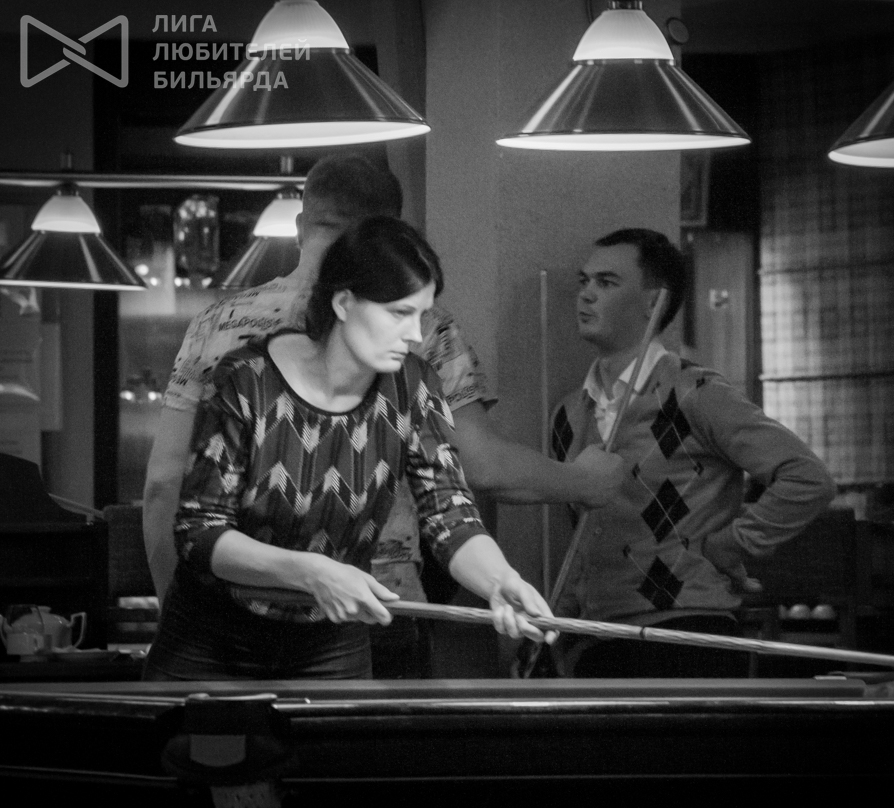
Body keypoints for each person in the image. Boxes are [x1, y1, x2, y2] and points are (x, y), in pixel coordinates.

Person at [143, 154, 622, 676]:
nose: (416, 333)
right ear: (344, 303)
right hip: (215, 638)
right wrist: (310, 572)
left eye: (422, 314)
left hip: (336, 634)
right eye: (399, 314)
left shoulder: (412, 385)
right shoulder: (246, 378)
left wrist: (498, 579)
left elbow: (449, 511)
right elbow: (199, 528)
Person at [550, 228, 836, 678]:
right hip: (597, 638)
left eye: (606, 283)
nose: (585, 294)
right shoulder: (568, 414)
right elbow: (582, 540)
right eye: (584, 281)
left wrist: (730, 543)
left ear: (653, 303)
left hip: (687, 633)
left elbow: (807, 477)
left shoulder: (695, 392)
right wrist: (554, 626)